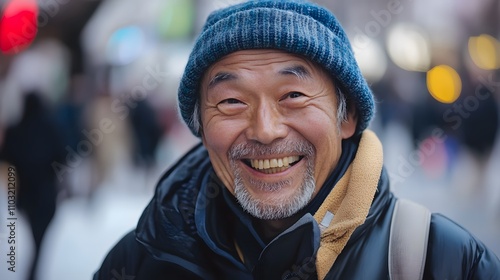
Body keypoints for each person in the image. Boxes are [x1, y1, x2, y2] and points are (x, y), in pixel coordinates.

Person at [94, 1, 500, 279]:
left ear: (348, 117)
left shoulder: (440, 260)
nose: (265, 130)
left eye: (293, 96)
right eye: (232, 102)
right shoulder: (142, 259)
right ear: (201, 125)